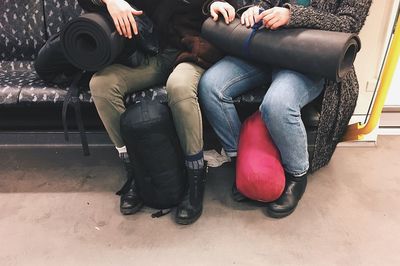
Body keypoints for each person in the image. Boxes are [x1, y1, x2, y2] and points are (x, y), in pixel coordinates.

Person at [199, 0, 372, 218]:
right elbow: (268, 3)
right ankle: (242, 158)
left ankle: (297, 175)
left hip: (308, 58)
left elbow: (349, 25)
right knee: (211, 86)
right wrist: (257, 10)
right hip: (267, 47)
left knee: (278, 104)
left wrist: (293, 16)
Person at [87, 0, 237, 224]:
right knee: (102, 85)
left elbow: (225, 6)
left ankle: (194, 177)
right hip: (155, 52)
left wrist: (214, 4)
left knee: (179, 86)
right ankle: (137, 171)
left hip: (193, 48)